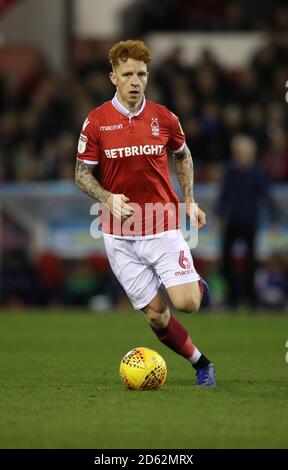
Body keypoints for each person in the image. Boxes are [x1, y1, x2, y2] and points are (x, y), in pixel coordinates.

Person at [75, 40, 215, 387]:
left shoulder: (164, 118)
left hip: (162, 224)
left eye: (141, 74)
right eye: (127, 74)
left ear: (147, 77)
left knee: (187, 304)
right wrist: (107, 198)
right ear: (113, 78)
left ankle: (194, 285)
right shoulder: (96, 122)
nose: (135, 81)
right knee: (156, 315)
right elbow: (80, 173)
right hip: (118, 236)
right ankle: (201, 364)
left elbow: (182, 155)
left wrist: (190, 200)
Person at [216, 134, 277, 308]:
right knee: (227, 261)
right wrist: (219, 216)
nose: (241, 155)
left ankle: (251, 298)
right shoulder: (230, 170)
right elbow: (224, 196)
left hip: (250, 221)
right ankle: (232, 297)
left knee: (250, 262)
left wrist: (273, 218)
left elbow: (266, 195)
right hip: (232, 221)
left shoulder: (257, 172)